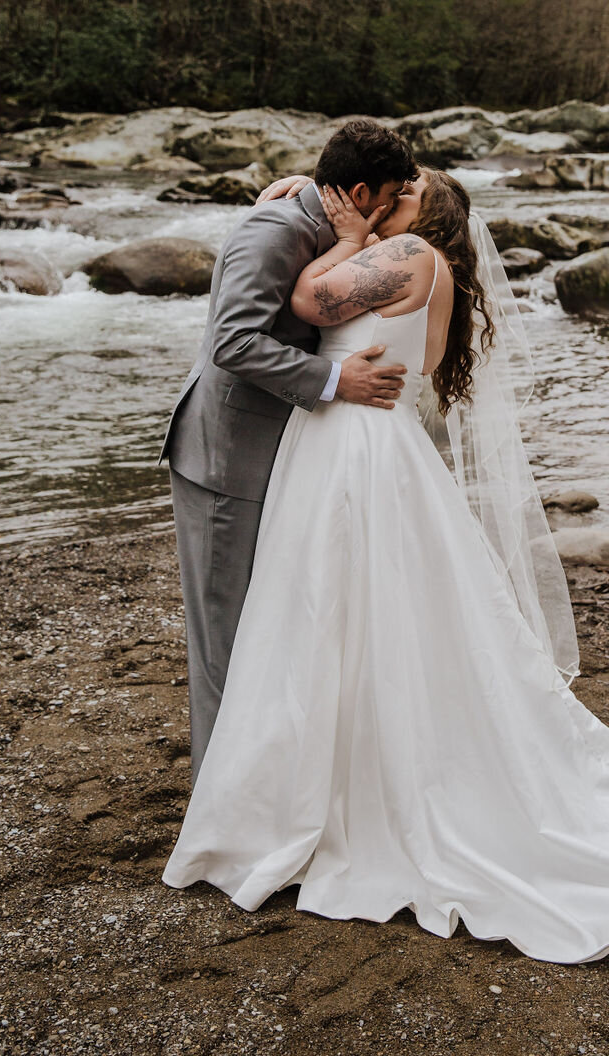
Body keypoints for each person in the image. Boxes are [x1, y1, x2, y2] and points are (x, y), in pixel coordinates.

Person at [162, 167, 609, 964]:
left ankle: (313, 791)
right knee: (377, 611)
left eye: (403, 191)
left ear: (415, 214)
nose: (388, 192)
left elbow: (305, 305)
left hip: (351, 447)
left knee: (332, 606)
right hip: (379, 447)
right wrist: (316, 202)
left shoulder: (398, 255)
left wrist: (349, 235)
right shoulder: (433, 274)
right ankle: (333, 773)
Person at [160, 118, 419, 782]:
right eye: (389, 194)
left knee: (266, 626)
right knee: (225, 638)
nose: (392, 208)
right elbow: (234, 343)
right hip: (225, 458)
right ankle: (219, 800)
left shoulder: (320, 221)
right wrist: (337, 380)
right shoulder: (274, 230)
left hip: (276, 451)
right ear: (361, 191)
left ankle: (263, 783)